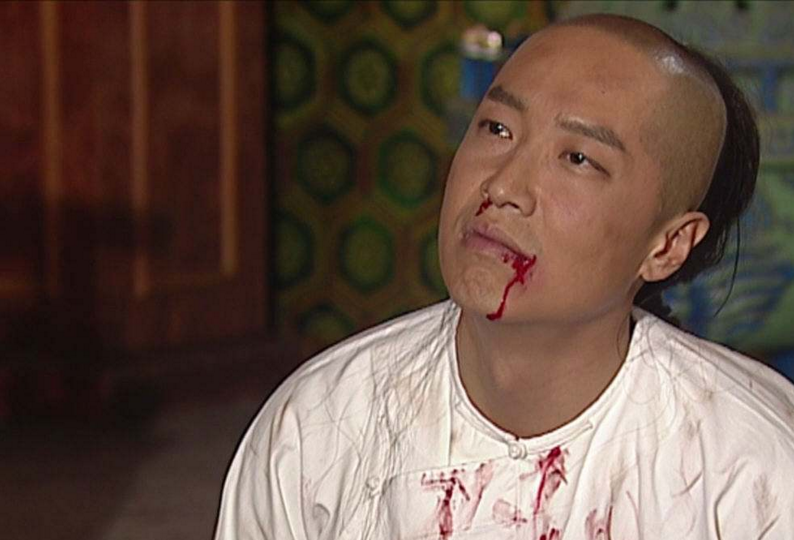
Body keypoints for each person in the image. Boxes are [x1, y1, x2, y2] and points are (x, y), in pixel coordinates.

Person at [214, 13, 794, 540]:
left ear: (667, 246)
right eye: (496, 129)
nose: (503, 186)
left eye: (577, 158)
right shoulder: (318, 427)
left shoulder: (753, 471)